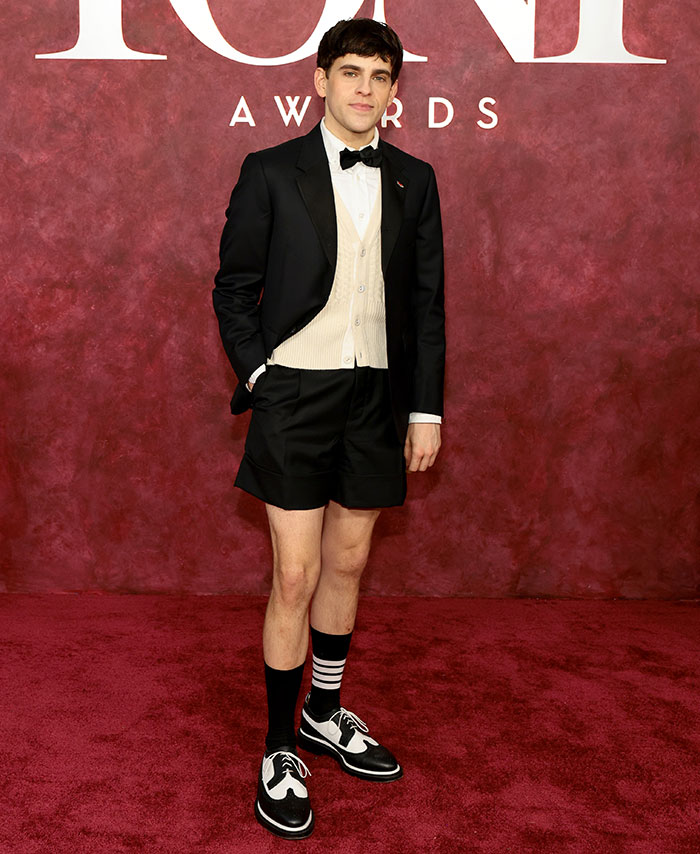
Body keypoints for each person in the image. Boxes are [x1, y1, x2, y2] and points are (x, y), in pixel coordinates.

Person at [213, 18, 445, 840]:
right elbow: (234, 287)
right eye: (350, 72)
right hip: (295, 397)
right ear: (319, 80)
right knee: (297, 574)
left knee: (348, 564)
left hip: (378, 399)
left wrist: (425, 408)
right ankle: (279, 748)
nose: (364, 90)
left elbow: (425, 306)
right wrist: (261, 375)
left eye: (380, 77)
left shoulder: (415, 179)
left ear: (394, 91)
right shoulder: (270, 170)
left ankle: (326, 712)